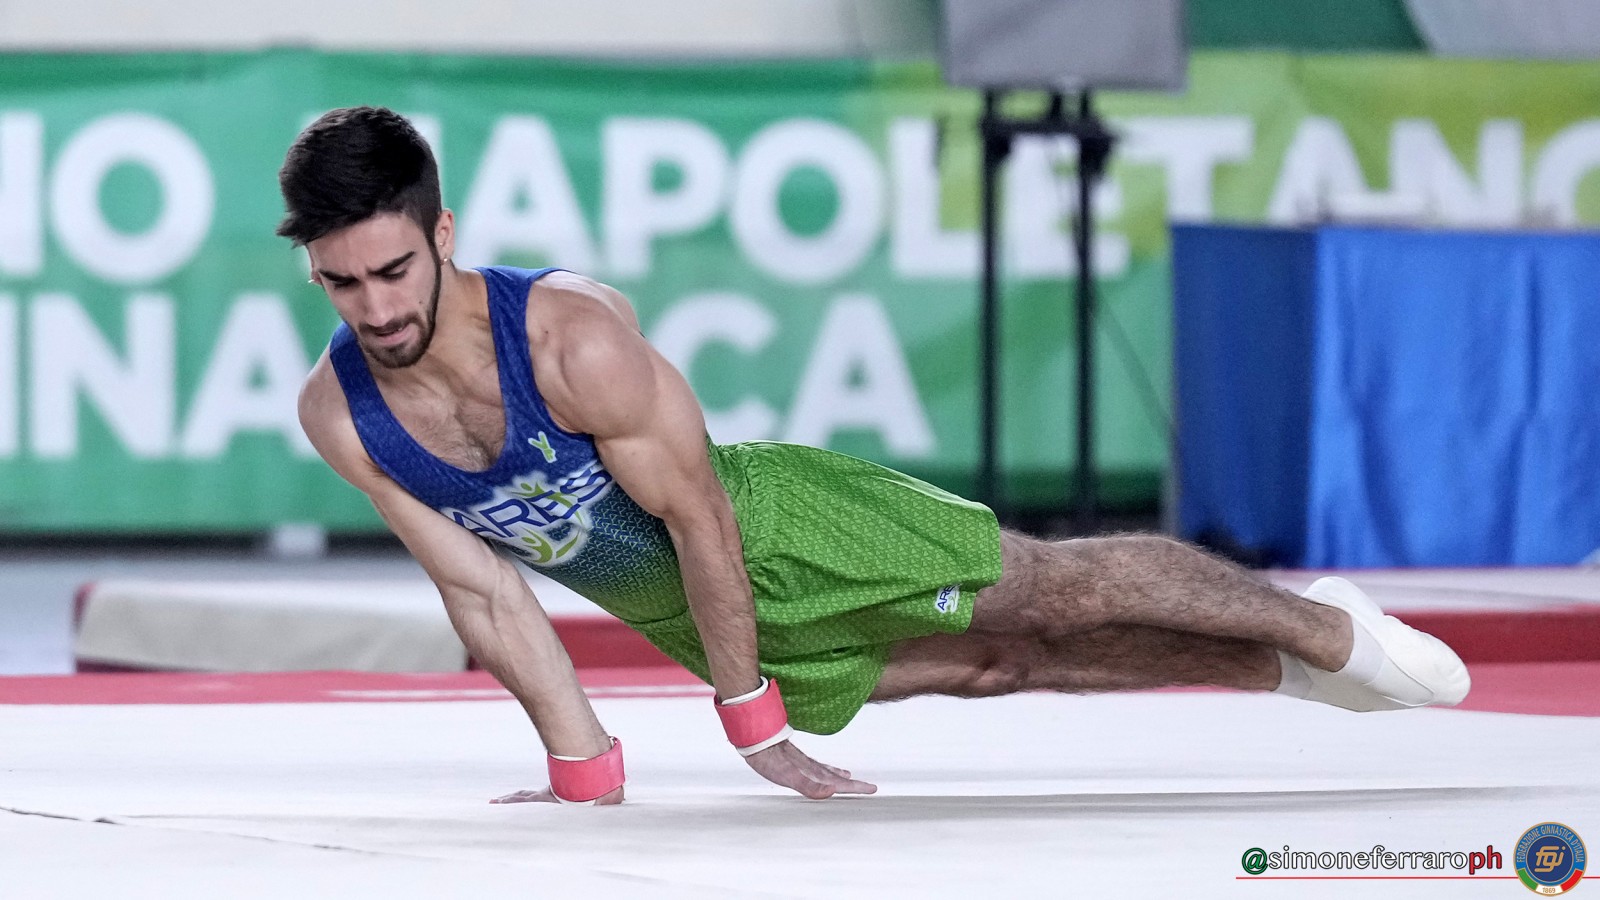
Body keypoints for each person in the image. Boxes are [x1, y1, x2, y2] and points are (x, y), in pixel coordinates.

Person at [280, 107, 1470, 806]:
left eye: (394, 271)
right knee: (996, 666)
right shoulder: (343, 416)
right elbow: (484, 591)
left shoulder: (569, 343)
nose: (376, 309)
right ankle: (1275, 672)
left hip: (776, 527)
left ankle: (1326, 630)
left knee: (1050, 589)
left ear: (443, 232)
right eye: (342, 283)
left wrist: (747, 720)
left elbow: (700, 521)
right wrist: (582, 770)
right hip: (691, 618)